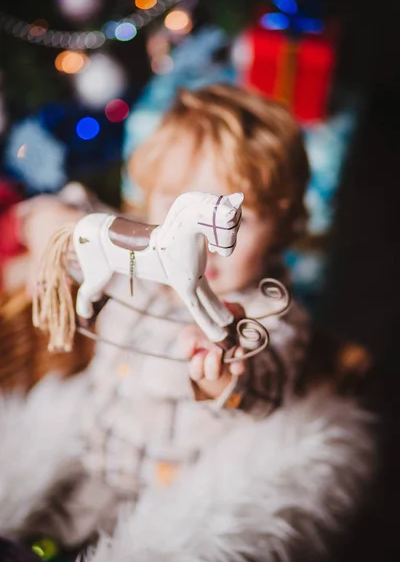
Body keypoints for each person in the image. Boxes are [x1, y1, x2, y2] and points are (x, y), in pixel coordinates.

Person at [0, 84, 374, 562]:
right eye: (178, 201)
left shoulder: (267, 310)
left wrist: (222, 375)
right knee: (38, 534)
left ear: (282, 228)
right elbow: (61, 215)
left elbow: (267, 386)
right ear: (148, 200)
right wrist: (45, 222)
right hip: (92, 455)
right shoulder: (140, 249)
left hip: (166, 490)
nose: (203, 240)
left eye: (241, 219)